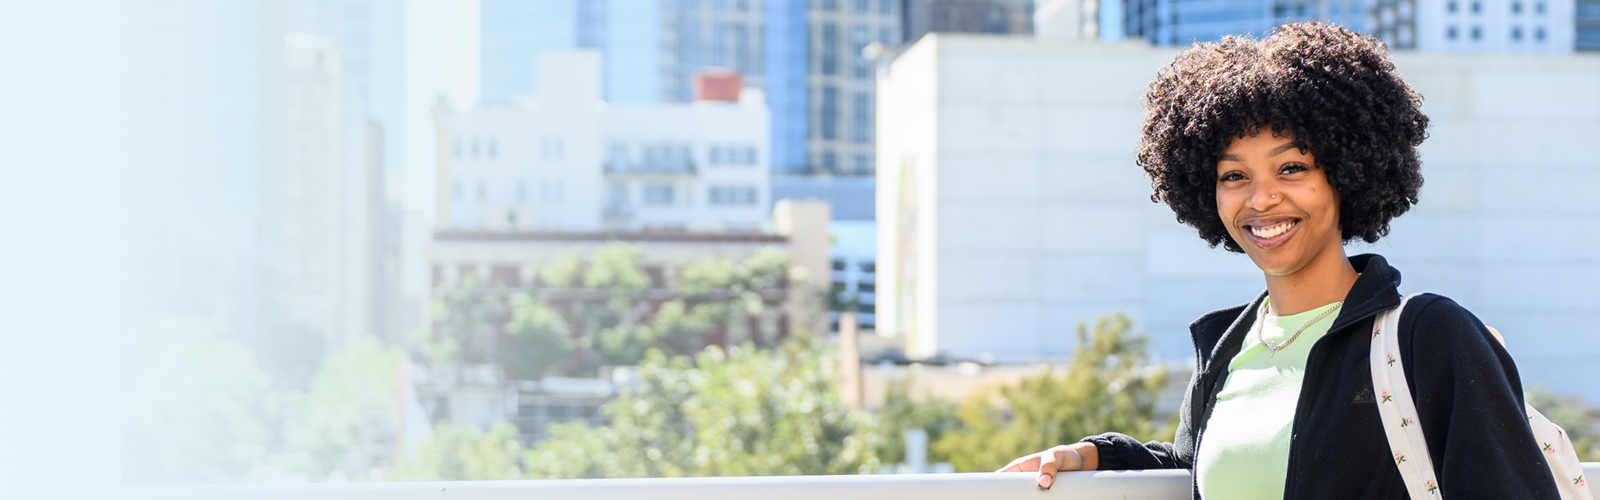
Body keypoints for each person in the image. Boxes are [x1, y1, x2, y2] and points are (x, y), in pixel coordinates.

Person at [997, 22, 1562, 499]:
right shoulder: (1228, 348)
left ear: (1346, 173)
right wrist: (1096, 457)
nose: (1261, 198)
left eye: (1291, 168)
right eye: (1234, 176)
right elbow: (1229, 473)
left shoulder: (1430, 336)